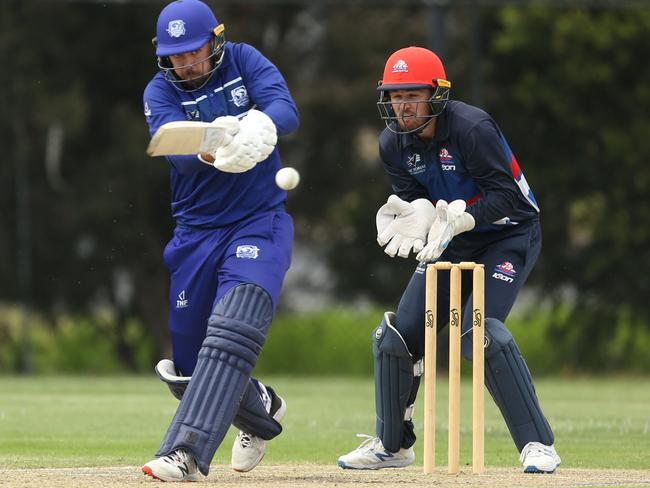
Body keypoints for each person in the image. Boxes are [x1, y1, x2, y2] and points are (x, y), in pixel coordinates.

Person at [337, 46, 561, 473]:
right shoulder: (392, 144)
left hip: (507, 234)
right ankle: (393, 446)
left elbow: (508, 197)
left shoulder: (472, 128)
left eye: (412, 95)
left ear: (437, 94)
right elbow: (416, 199)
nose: (402, 106)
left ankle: (538, 445)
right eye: (395, 96)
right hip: (450, 238)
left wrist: (463, 218)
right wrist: (418, 213)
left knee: (480, 335)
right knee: (397, 337)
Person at [140, 0, 299, 481]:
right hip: (195, 233)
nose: (186, 62)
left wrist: (259, 126)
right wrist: (214, 146)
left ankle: (185, 453)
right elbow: (171, 145)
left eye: (194, 50)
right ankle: (262, 407)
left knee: (233, 324)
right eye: (176, 55)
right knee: (188, 372)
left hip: (258, 222)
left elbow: (284, 110)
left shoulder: (245, 60)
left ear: (216, 40)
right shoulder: (157, 90)